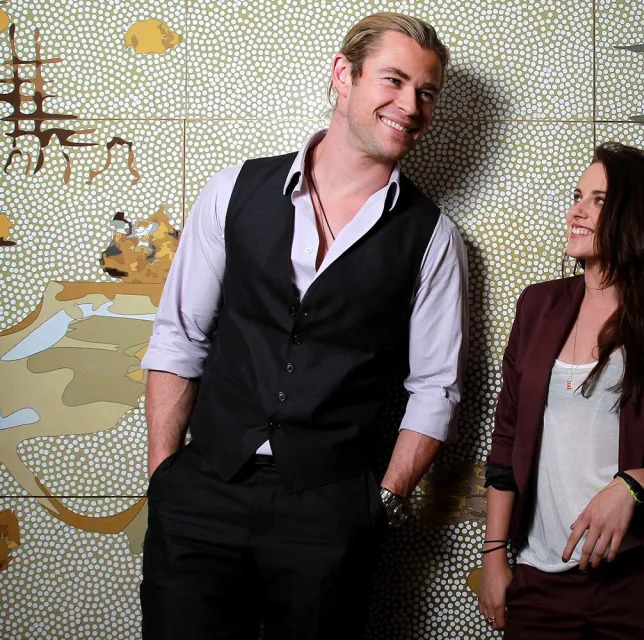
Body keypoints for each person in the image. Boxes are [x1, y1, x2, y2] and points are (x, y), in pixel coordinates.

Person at [139, 13, 467, 639]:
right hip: (203, 494)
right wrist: (165, 477)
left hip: (330, 512)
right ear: (343, 74)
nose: (411, 105)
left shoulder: (433, 237)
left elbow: (435, 388)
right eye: (393, 81)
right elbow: (180, 336)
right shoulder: (233, 189)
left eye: (427, 92)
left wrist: (383, 503)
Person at [477, 143, 644, 639]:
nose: (576, 211)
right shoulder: (538, 306)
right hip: (542, 579)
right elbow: (506, 442)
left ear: (637, 217)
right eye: (577, 196)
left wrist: (633, 485)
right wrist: (493, 555)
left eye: (598, 200)